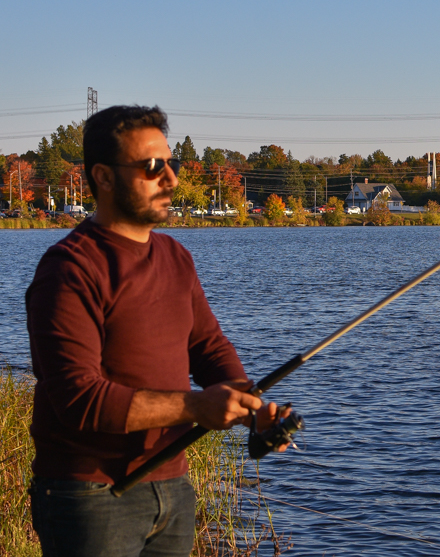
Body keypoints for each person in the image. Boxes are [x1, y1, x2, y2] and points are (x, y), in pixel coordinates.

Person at [25, 105, 287, 557]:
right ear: (103, 177)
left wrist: (251, 406)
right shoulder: (69, 270)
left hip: (172, 488)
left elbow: (207, 347)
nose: (170, 179)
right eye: (151, 167)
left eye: (172, 164)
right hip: (89, 496)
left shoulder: (175, 257)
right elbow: (78, 399)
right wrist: (197, 406)